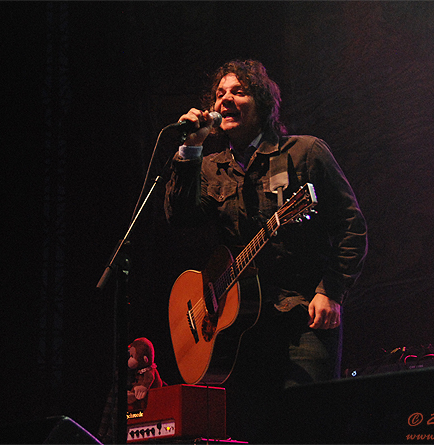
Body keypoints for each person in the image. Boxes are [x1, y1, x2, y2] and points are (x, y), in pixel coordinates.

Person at [163, 60, 368, 442]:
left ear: (263, 103)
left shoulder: (305, 153)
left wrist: (331, 290)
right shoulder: (210, 168)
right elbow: (179, 216)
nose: (225, 99)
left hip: (301, 317)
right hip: (242, 331)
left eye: (238, 91)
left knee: (311, 425)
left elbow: (352, 227)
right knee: (258, 431)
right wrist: (190, 148)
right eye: (219, 94)